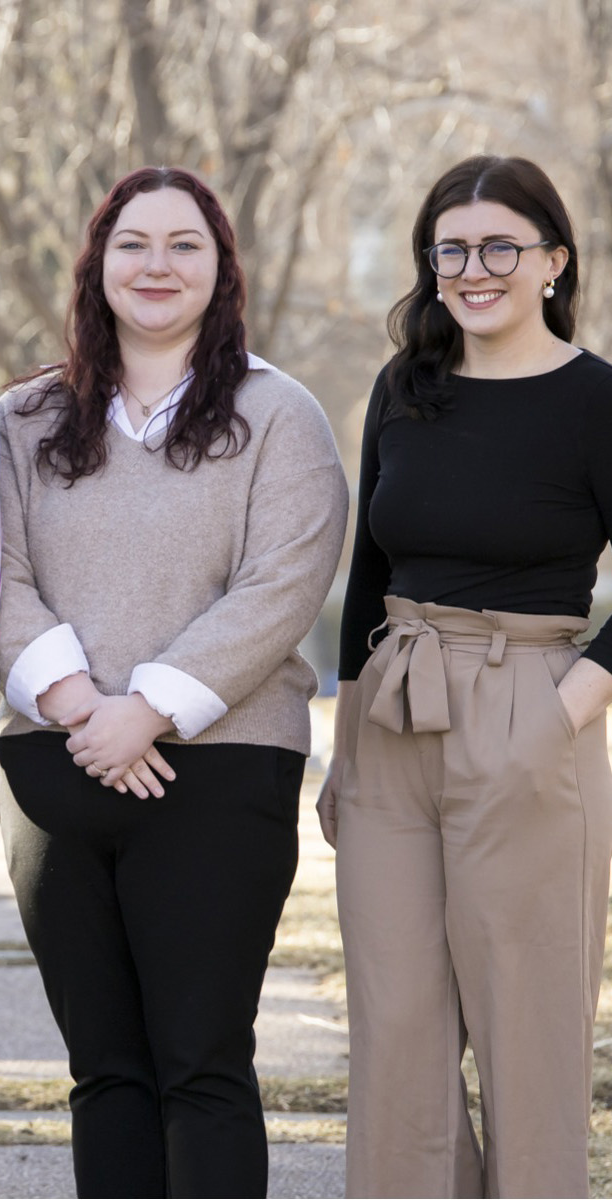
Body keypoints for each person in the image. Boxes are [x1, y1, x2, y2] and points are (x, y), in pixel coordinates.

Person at [0, 166, 347, 1197]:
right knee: (103, 1073)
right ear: (96, 265)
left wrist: (144, 709)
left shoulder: (279, 416)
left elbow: (283, 583)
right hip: (51, 771)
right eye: (132, 243)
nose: (156, 265)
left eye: (183, 245)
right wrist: (78, 709)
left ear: (220, 270)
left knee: (201, 1065)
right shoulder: (20, 420)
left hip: (221, 775)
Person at [318, 155, 612, 1197]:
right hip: (392, 713)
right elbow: (369, 577)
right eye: (451, 248)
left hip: (529, 709)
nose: (472, 269)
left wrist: (571, 699)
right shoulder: (406, 387)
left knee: (525, 1033)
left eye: (500, 246)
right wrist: (344, 751)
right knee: (395, 1024)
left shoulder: (593, 399)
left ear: (552, 263)